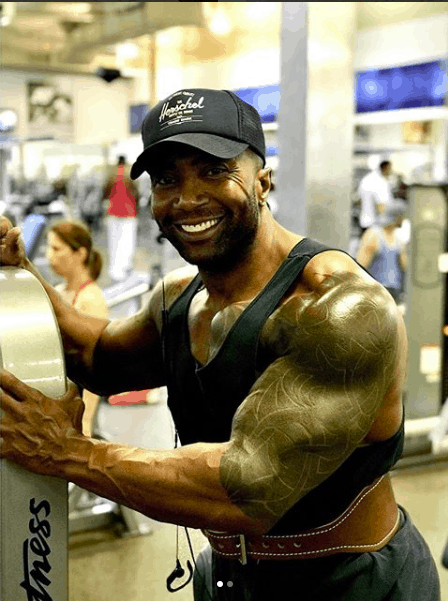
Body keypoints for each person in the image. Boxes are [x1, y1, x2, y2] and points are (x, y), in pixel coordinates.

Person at [0, 88, 440, 601]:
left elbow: (247, 487)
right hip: (229, 576)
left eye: (213, 171)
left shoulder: (337, 307)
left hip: (348, 581)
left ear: (262, 181)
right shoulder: (180, 299)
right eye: (167, 180)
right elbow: (98, 357)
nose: (187, 199)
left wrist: (68, 453)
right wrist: (19, 269)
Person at [46, 220, 108, 436]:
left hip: (79, 407)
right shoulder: (59, 291)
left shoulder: (91, 299)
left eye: (56, 249)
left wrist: (86, 421)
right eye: (49, 248)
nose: (49, 256)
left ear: (80, 254)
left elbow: (94, 367)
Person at [356, 200, 407, 306]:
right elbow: (360, 266)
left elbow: (405, 266)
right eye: (403, 216)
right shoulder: (373, 235)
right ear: (398, 217)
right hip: (376, 292)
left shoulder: (398, 238)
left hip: (394, 292)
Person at [104, 155, 139, 281]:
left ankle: (114, 270)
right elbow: (136, 194)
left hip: (113, 212)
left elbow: (105, 192)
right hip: (129, 213)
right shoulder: (130, 174)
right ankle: (126, 267)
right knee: (127, 242)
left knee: (114, 242)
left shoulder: (111, 175)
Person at [358, 160, 394, 235]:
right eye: (390, 169)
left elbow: (359, 200)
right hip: (376, 226)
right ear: (385, 168)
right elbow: (381, 206)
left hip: (364, 223)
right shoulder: (380, 182)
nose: (391, 172)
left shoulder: (366, 179)